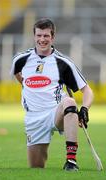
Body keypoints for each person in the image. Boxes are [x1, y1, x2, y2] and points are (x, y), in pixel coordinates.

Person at [10, 18, 94, 171]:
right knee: (36, 167)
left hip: (55, 112)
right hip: (33, 118)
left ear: (52, 37)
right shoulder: (20, 59)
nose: (42, 39)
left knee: (69, 102)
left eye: (46, 36)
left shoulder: (63, 63)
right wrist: (25, 84)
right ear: (34, 36)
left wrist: (85, 109)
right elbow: (17, 73)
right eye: (39, 35)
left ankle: (71, 161)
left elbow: (87, 90)